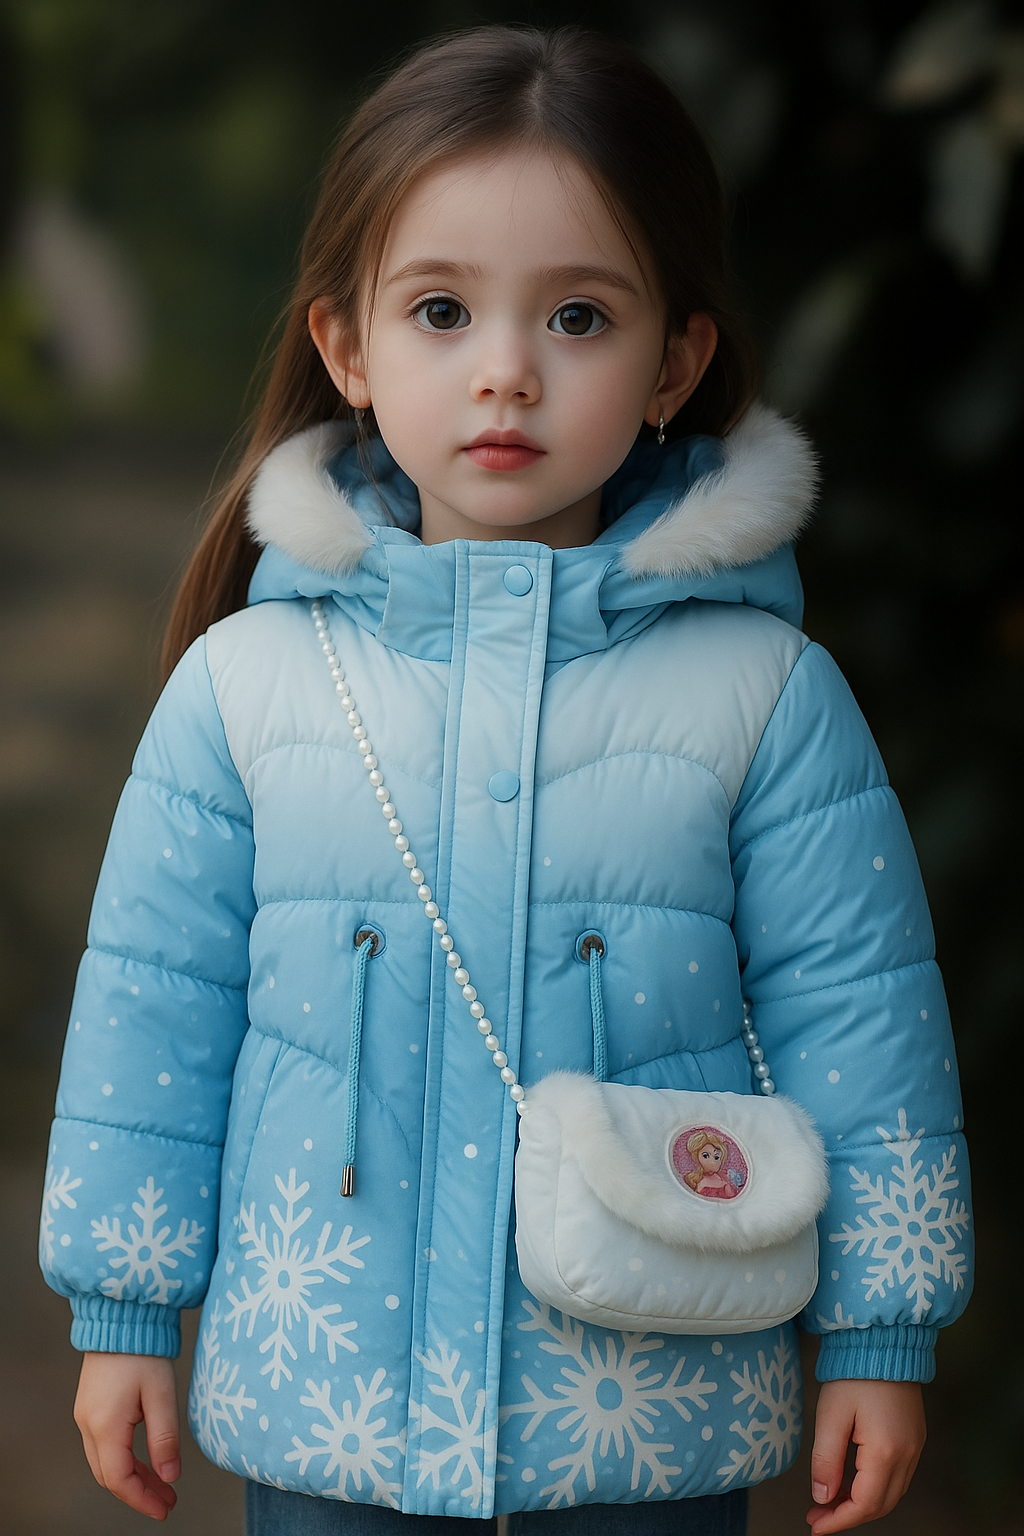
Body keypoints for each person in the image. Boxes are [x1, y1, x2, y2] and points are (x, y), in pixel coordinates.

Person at [41, 25, 972, 1536]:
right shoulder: (247, 689)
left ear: (680, 360)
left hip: (648, 1406)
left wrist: (881, 1332)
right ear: (346, 347)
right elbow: (154, 1006)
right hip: (327, 1395)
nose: (506, 373)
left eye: (582, 318)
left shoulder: (767, 700)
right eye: (441, 309)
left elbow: (861, 1020)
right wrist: (125, 1309)